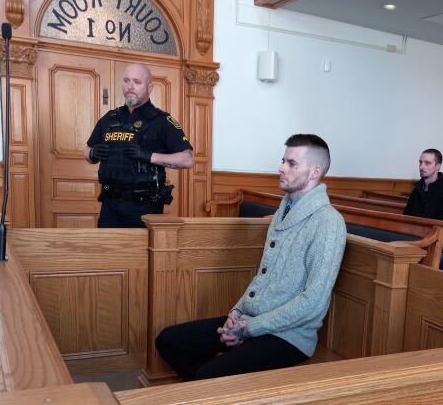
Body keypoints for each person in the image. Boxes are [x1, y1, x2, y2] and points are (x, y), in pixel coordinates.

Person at [154, 134, 347, 381]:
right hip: (251, 321)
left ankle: (211, 388)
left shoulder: (328, 222)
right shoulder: (284, 209)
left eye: (291, 163)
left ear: (314, 172)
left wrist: (248, 329)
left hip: (290, 336)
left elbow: (313, 302)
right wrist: (236, 312)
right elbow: (263, 276)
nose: (280, 168)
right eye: (283, 160)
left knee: (208, 376)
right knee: (170, 340)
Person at [85, 64, 193, 228]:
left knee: (140, 254)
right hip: (110, 205)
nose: (130, 86)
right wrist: (93, 153)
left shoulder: (162, 121)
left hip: (145, 207)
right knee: (108, 252)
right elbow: (86, 151)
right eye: (127, 81)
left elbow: (187, 159)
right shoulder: (109, 118)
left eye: (137, 82)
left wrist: (149, 156)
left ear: (150, 87)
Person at [403, 148, 443, 250]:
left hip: (433, 245)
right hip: (411, 238)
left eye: (427, 163)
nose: (421, 167)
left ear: (437, 166)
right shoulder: (416, 190)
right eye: (420, 162)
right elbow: (406, 217)